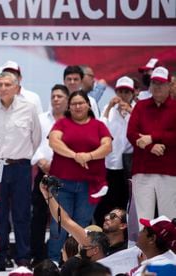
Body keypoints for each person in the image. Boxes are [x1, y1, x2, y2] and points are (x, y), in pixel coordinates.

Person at [0, 71, 41, 270]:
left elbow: (36, 137)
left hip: (20, 166)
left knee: (22, 214)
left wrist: (23, 155)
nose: (3, 88)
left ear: (16, 87)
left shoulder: (28, 108)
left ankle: (23, 257)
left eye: (7, 84)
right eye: (0, 84)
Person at [46, 90, 112, 262]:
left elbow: (107, 147)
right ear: (69, 106)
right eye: (73, 103)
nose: (77, 106)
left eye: (81, 103)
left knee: (81, 224)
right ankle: (54, 260)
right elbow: (54, 141)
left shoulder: (99, 126)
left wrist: (88, 156)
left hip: (89, 185)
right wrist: (75, 155)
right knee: (58, 224)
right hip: (62, 183)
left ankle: (79, 260)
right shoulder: (62, 123)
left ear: (88, 105)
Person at [127, 66, 176, 230]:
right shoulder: (141, 106)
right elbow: (132, 134)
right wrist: (151, 146)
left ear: (170, 85)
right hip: (143, 170)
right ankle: (144, 255)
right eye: (154, 83)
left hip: (169, 172)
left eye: (161, 84)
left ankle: (170, 255)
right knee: (143, 220)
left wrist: (152, 138)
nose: (157, 87)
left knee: (168, 221)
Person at [30, 84, 69, 265]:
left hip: (65, 174)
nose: (55, 99)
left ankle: (60, 256)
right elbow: (32, 141)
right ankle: (37, 256)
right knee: (37, 216)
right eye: (53, 96)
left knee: (61, 217)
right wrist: (41, 161)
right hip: (43, 172)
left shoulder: (73, 121)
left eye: (60, 96)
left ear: (67, 100)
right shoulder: (40, 119)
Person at [40, 182, 128, 257]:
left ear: (123, 225)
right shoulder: (96, 241)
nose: (107, 218)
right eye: (108, 215)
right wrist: (48, 195)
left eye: (113, 216)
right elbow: (65, 221)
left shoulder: (129, 249)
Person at [93, 76, 136, 226]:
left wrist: (130, 111)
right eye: (120, 92)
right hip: (109, 165)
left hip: (127, 167)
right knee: (104, 205)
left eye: (126, 92)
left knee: (124, 204)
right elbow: (99, 129)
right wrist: (109, 108)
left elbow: (139, 129)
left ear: (132, 94)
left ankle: (123, 240)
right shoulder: (108, 109)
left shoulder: (137, 110)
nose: (123, 95)